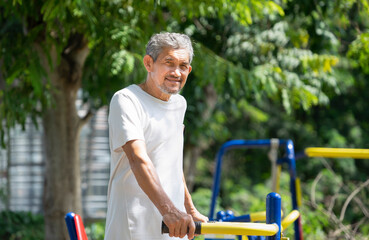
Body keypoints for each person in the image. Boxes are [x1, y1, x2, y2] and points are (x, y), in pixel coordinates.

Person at [104, 32, 208, 240]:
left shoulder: (179, 104)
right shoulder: (126, 100)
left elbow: (172, 161)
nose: (176, 72)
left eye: (183, 66)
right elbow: (138, 160)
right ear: (148, 63)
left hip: (172, 226)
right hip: (133, 224)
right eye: (169, 63)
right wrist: (169, 210)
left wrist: (189, 209)